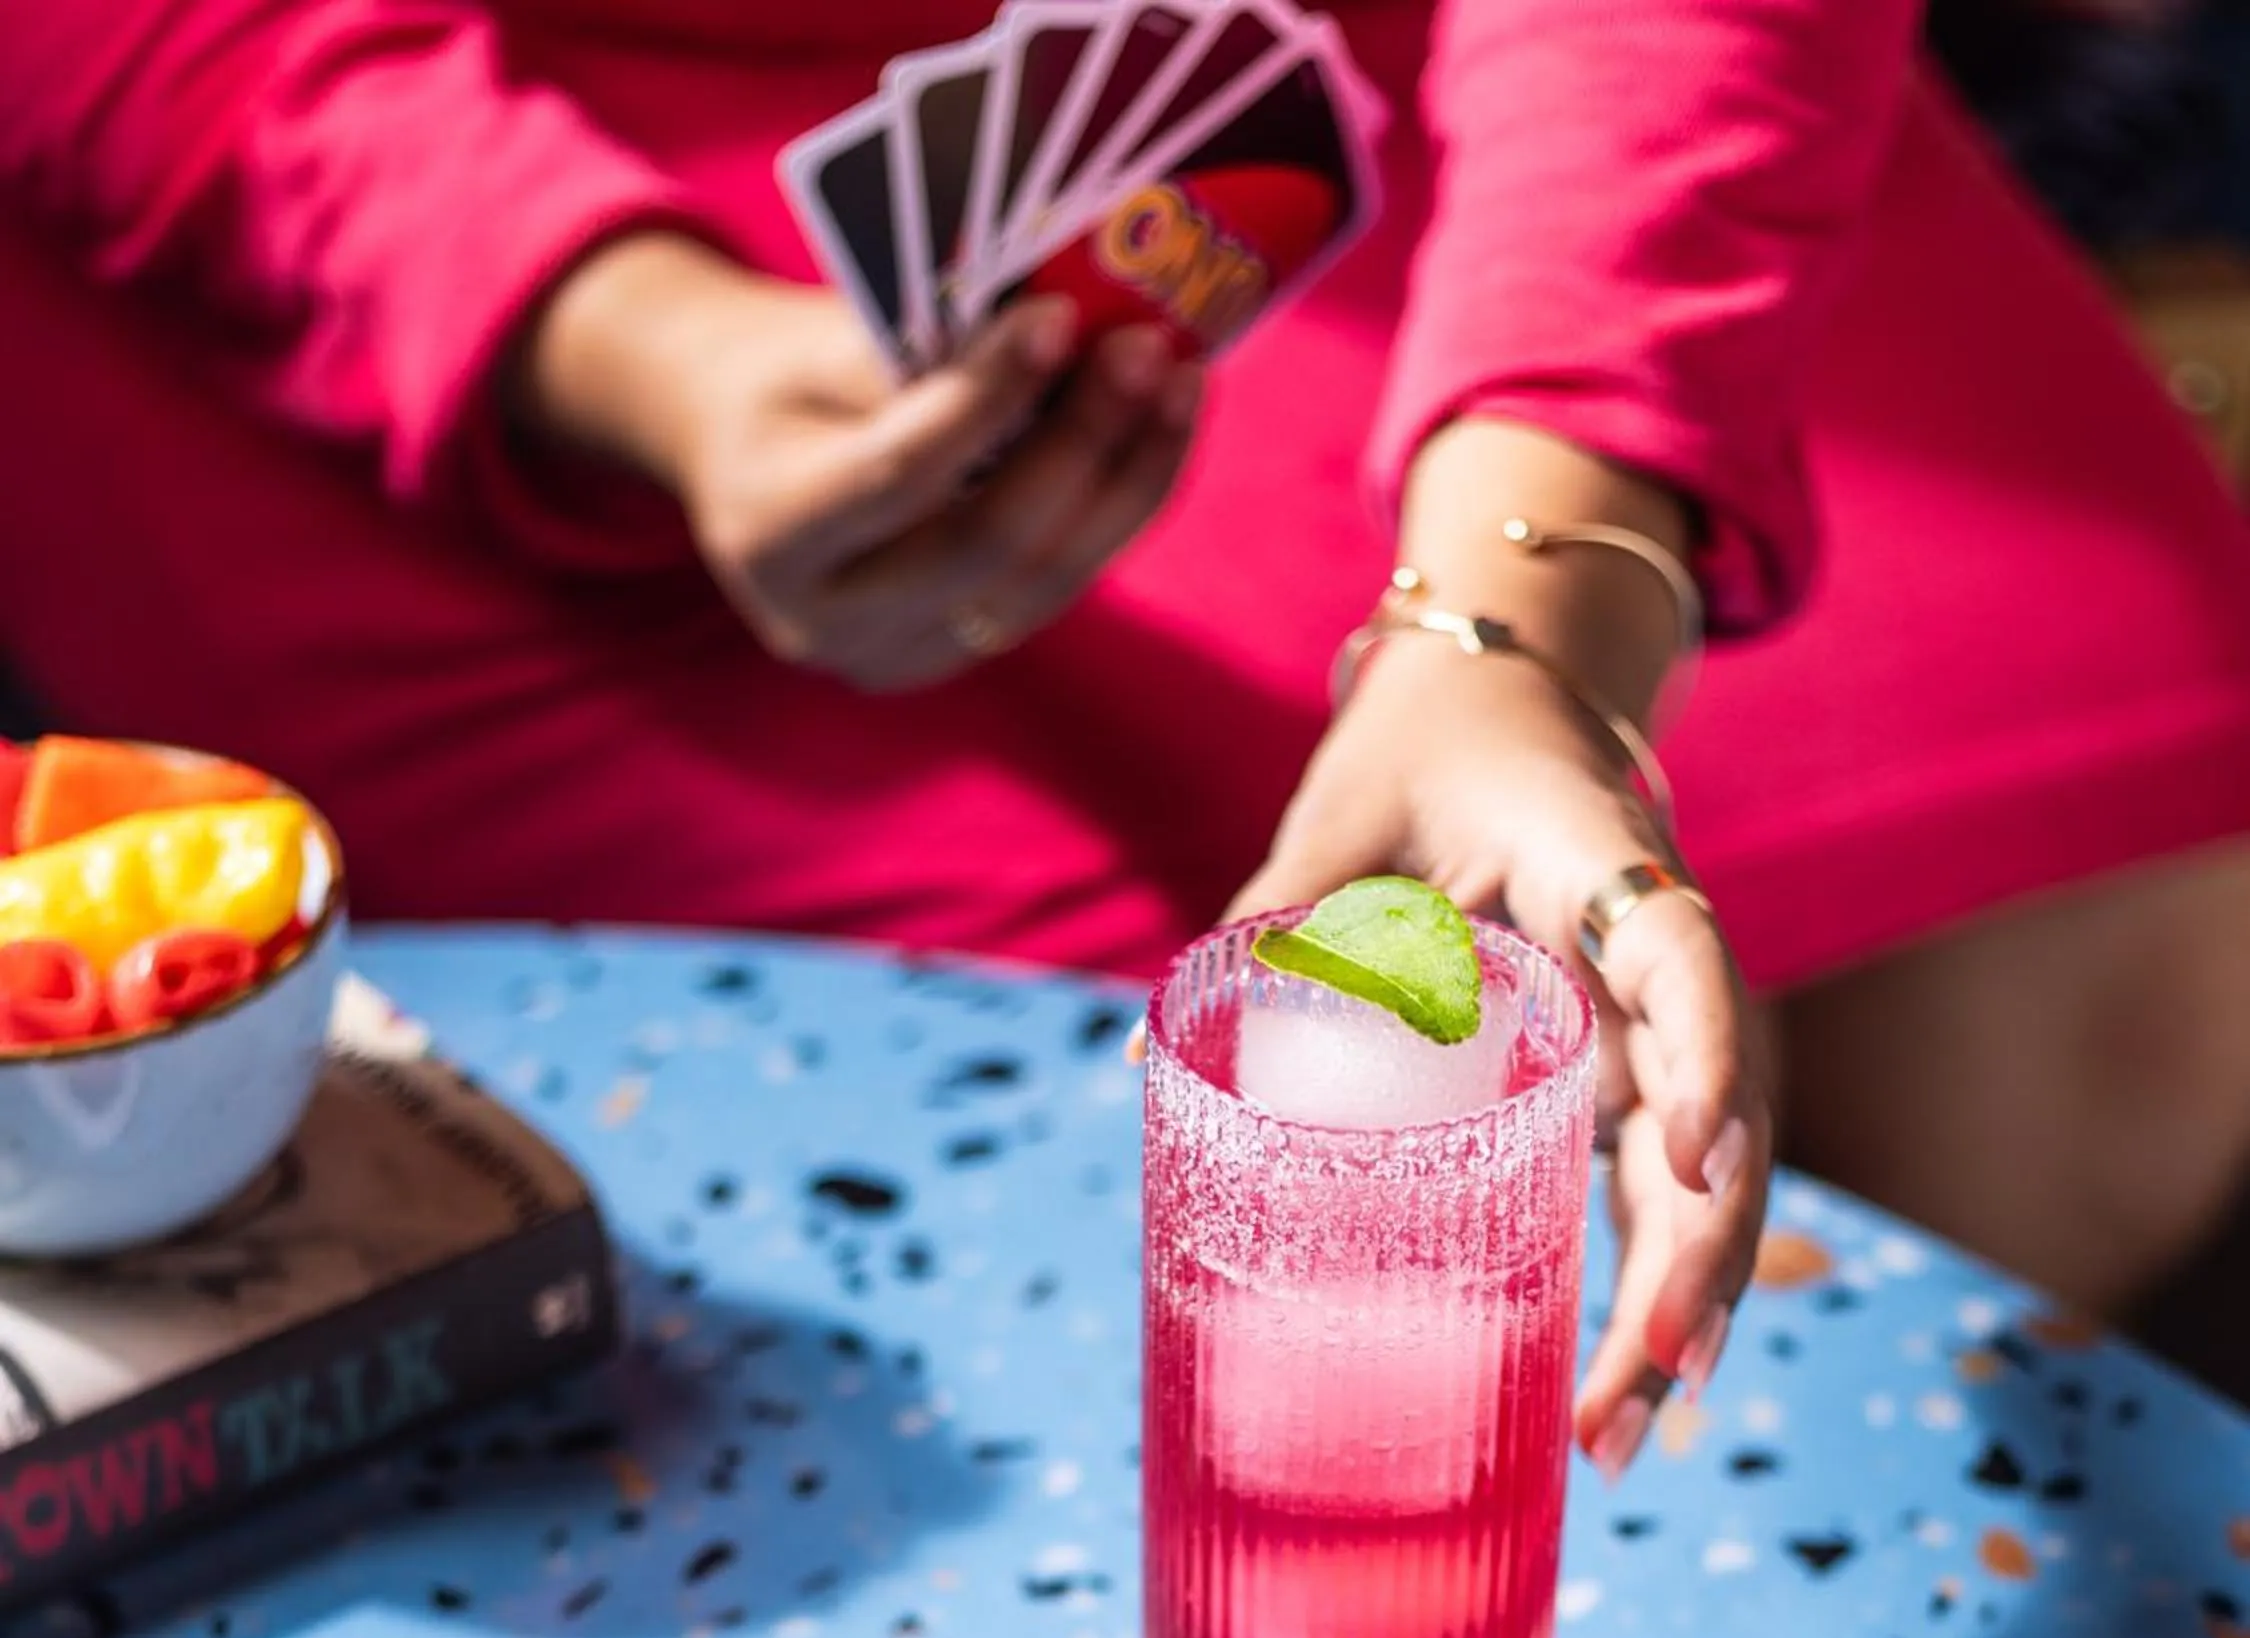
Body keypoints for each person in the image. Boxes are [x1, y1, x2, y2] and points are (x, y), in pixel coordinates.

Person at [2, 0, 2247, 1472]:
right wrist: (654, 356)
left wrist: (1528, 614)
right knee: (1116, 1278)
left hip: (1363, 104)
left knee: (2099, 1034)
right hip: (392, 175)